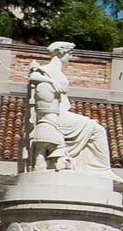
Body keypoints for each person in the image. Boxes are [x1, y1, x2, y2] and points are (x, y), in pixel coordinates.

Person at [24, 41, 113, 173]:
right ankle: (102, 169)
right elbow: (33, 77)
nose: (70, 57)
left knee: (95, 128)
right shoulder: (47, 69)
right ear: (61, 52)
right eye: (69, 53)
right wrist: (52, 81)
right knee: (97, 130)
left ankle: (96, 168)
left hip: (60, 113)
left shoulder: (56, 70)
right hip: (55, 116)